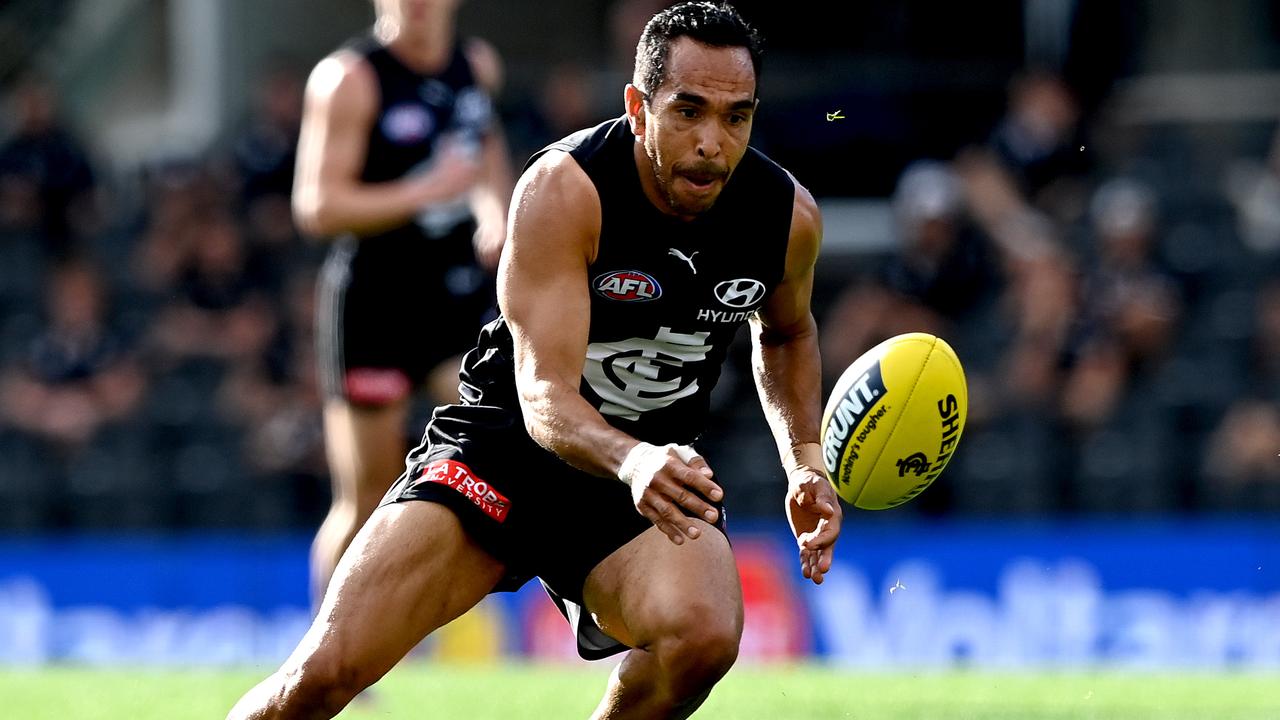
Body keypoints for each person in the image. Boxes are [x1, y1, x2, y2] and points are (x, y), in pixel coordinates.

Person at [229, 3, 841, 718]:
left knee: (703, 635)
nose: (712, 142)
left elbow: (788, 332)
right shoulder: (566, 188)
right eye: (689, 112)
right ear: (638, 108)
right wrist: (634, 460)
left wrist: (804, 459)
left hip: (634, 490)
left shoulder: (785, 218)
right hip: (502, 460)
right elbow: (543, 396)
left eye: (736, 118)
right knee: (318, 680)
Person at [291, 0, 514, 604]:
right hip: (374, 304)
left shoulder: (476, 64)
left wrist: (493, 212)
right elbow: (316, 205)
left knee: (518, 444)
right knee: (364, 496)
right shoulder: (350, 79)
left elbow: (485, 147)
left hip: (453, 299)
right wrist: (421, 191)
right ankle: (326, 654)